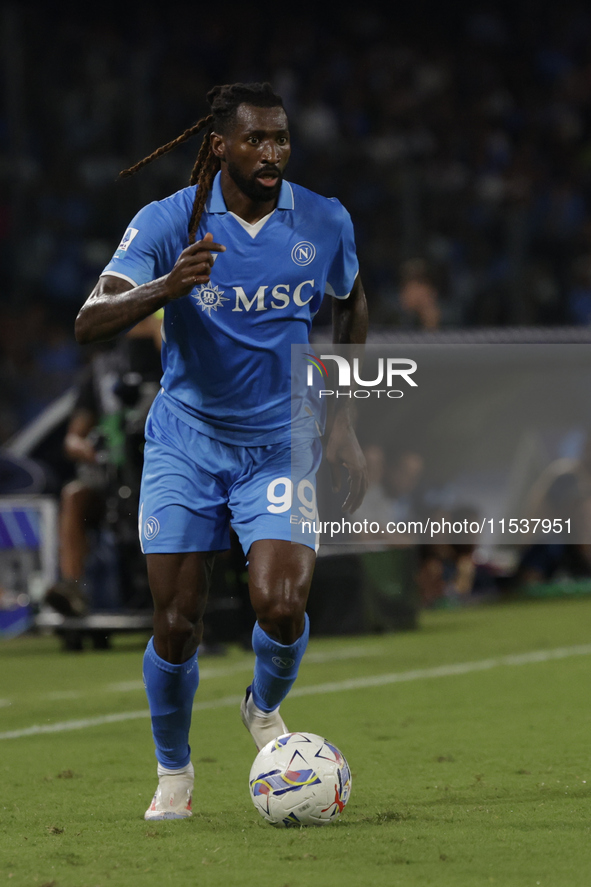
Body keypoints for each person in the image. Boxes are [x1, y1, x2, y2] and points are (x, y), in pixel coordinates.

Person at [75, 82, 368, 821]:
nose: (271, 154)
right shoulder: (168, 222)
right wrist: (166, 286)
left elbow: (352, 302)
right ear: (219, 146)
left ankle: (261, 705)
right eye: (255, 140)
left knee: (280, 601)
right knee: (175, 622)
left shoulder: (325, 220)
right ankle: (173, 772)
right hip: (187, 443)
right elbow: (89, 319)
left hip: (280, 440)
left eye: (280, 140)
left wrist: (343, 425)